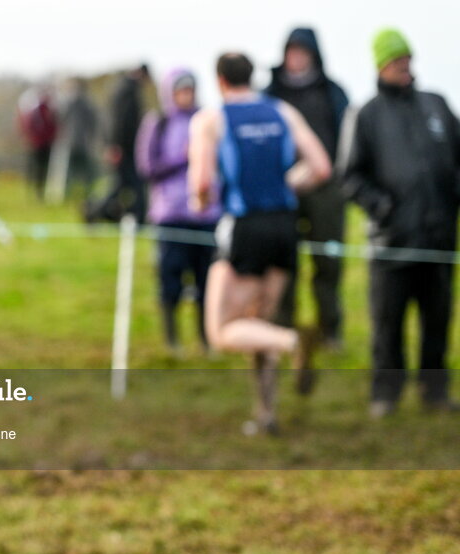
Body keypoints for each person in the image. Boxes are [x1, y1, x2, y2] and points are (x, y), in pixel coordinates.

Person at [188, 53, 331, 434]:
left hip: (245, 226)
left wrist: (200, 202)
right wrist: (286, 184)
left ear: (219, 80)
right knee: (258, 324)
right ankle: (266, 415)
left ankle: (292, 340)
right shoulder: (282, 111)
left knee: (222, 330)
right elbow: (320, 167)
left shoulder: (211, 119)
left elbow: (200, 183)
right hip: (285, 226)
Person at [340, 29, 460, 418]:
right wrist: (382, 206)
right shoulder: (366, 114)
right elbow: (350, 176)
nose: (403, 66)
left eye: (406, 58)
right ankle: (386, 394)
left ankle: (435, 390)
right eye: (395, 60)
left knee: (438, 320)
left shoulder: (437, 105)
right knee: (387, 325)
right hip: (392, 242)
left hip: (439, 238)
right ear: (380, 66)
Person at [265, 27, 350, 348]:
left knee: (327, 261)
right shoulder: (272, 93)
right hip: (282, 189)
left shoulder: (332, 92)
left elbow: (346, 136)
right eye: (292, 50)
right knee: (283, 259)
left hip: (326, 189)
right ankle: (284, 327)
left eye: (303, 51)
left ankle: (330, 329)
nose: (297, 58)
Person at [135, 68, 222, 354]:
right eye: (180, 91)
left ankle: (205, 337)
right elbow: (148, 167)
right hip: (170, 215)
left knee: (205, 280)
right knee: (170, 277)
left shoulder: (207, 120)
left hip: (205, 215)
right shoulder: (158, 122)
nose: (186, 96)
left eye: (190, 90)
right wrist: (182, 157)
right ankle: (172, 338)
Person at [85, 64, 152, 224]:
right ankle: (94, 210)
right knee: (127, 184)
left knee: (124, 184)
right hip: (124, 149)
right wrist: (115, 146)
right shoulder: (127, 90)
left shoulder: (123, 87)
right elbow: (119, 122)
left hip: (125, 148)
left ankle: (95, 210)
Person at [60, 78, 98, 198]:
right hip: (76, 142)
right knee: (71, 171)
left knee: (77, 171)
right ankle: (78, 194)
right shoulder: (83, 104)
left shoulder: (71, 103)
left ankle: (78, 194)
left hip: (75, 142)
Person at [17, 88, 58, 199]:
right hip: (39, 144)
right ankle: (35, 192)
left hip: (42, 143)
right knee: (38, 170)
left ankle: (38, 192)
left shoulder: (47, 110)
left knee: (40, 170)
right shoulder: (39, 110)